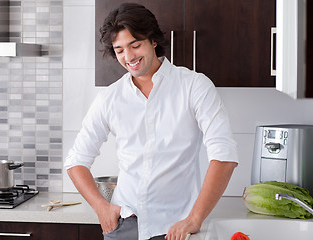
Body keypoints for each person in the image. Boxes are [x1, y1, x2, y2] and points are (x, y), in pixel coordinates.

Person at [65, 3, 238, 240]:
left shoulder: (194, 86)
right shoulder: (110, 98)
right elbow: (76, 161)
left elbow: (224, 156)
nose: (129, 57)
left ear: (153, 41)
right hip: (123, 226)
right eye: (119, 50)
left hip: (175, 229)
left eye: (135, 45)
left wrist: (194, 219)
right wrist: (101, 207)